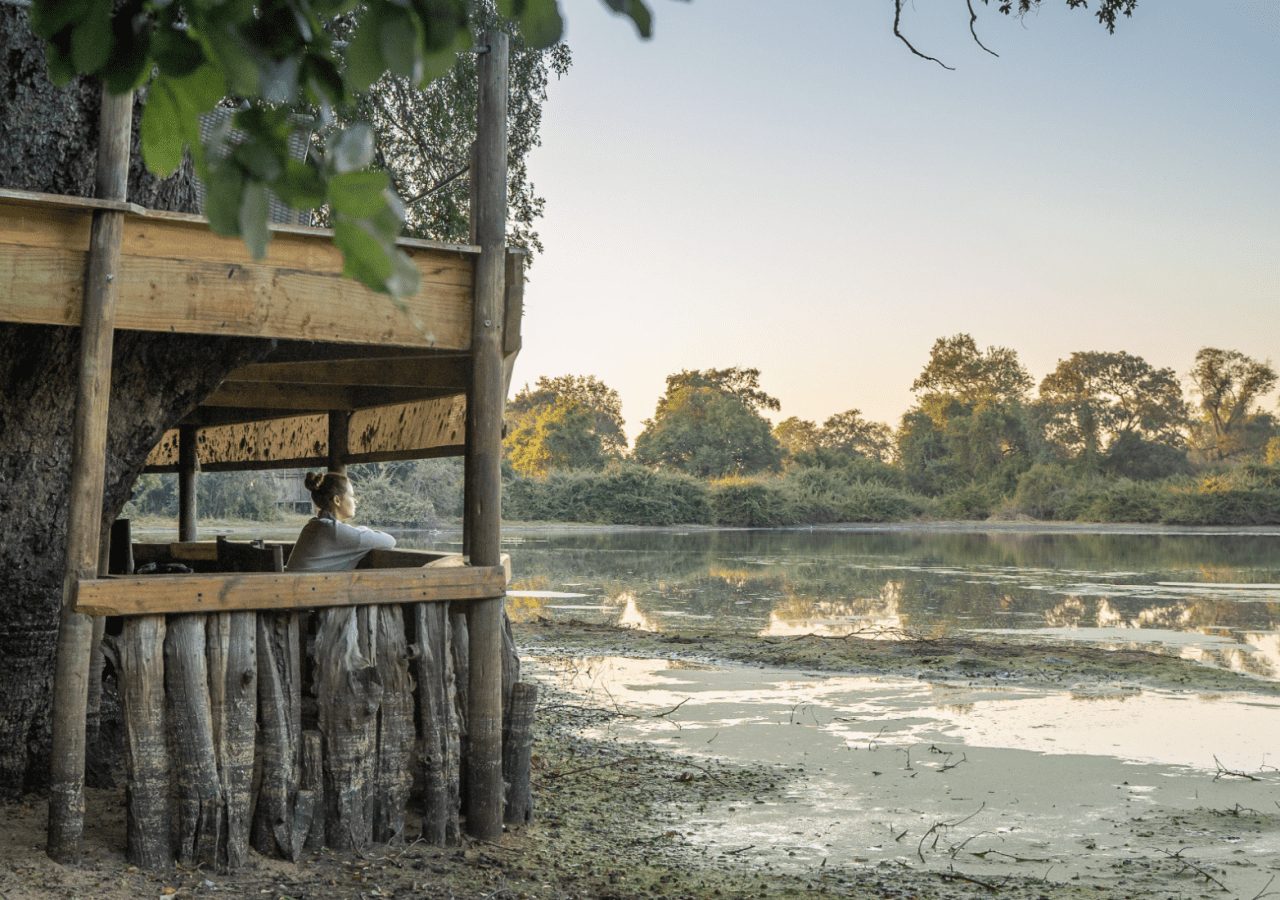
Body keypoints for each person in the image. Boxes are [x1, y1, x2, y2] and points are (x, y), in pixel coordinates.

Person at [286, 471, 396, 571]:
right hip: (305, 590)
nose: (355, 501)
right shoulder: (334, 531)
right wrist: (363, 530)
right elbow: (390, 541)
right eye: (352, 496)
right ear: (337, 500)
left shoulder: (314, 525)